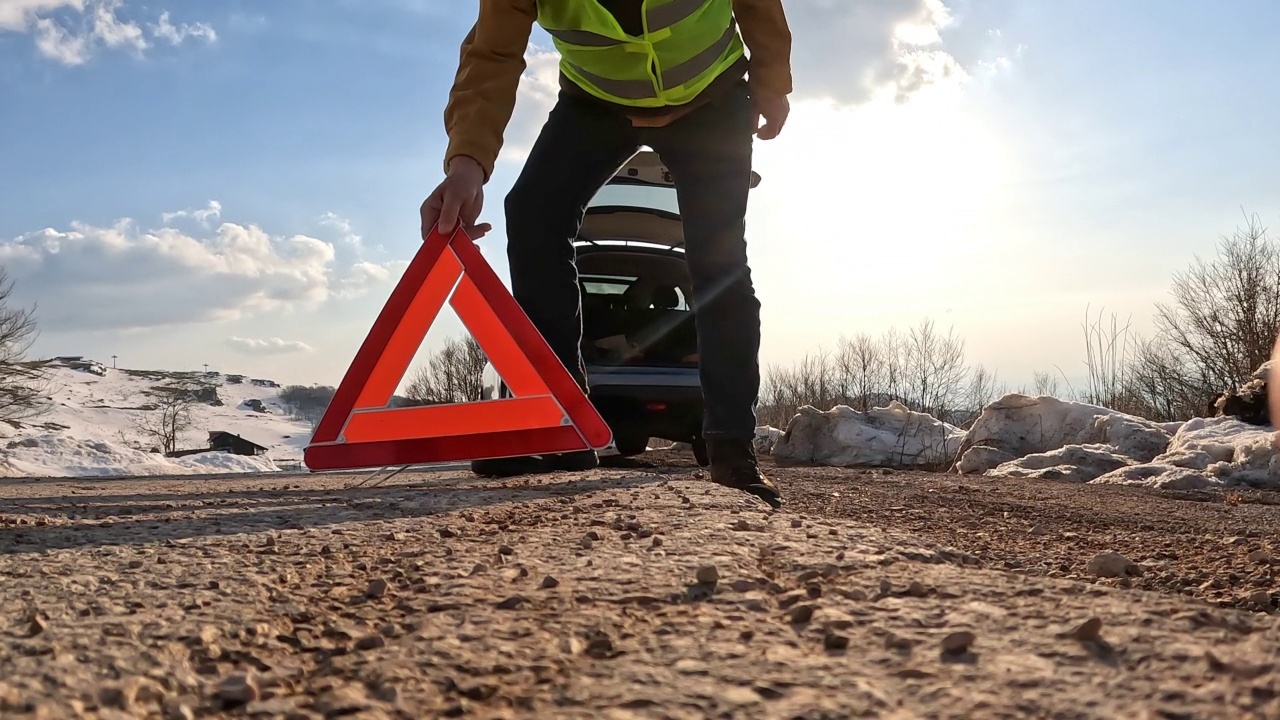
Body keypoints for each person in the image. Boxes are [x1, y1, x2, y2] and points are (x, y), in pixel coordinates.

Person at [419, 0, 792, 509]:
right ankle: (560, 424)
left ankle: (731, 447)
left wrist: (772, 79)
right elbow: (492, 54)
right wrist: (466, 165)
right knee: (531, 213)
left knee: (718, 260)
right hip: (596, 103)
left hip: (712, 98)